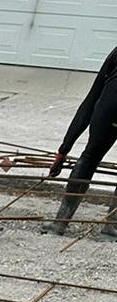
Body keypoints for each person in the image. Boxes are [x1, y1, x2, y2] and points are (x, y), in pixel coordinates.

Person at [46, 46, 117, 235]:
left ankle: (59, 224)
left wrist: (63, 150)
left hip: (107, 111)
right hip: (109, 108)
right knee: (90, 157)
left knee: (89, 157)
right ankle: (111, 227)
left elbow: (91, 99)